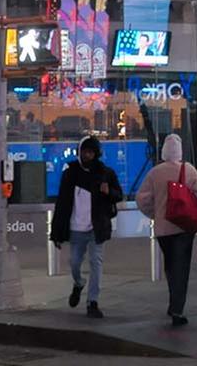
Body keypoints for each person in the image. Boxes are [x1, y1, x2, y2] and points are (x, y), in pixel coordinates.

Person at [136, 132, 197, 325]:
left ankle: (173, 302)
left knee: (170, 265)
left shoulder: (155, 173)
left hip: (163, 229)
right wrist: (195, 210)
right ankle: (177, 309)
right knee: (181, 268)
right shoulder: (189, 170)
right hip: (184, 227)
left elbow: (142, 199)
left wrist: (155, 213)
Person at [51, 135, 121, 318]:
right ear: (79, 152)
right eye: (84, 152)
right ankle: (79, 283)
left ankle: (93, 302)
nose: (87, 155)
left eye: (91, 152)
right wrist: (56, 232)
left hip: (96, 228)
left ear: (96, 153)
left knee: (96, 263)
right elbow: (62, 204)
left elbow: (118, 194)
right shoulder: (70, 174)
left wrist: (108, 192)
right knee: (74, 263)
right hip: (75, 227)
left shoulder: (105, 173)